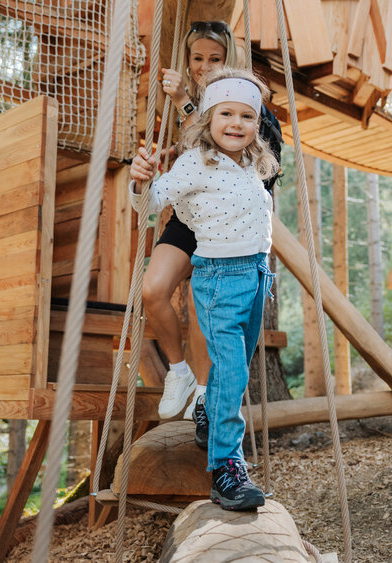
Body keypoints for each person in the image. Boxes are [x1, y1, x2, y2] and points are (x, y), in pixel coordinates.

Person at [130, 68, 277, 510]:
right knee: (231, 371)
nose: (236, 123)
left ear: (257, 124)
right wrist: (140, 179)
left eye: (247, 116)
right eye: (226, 114)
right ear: (209, 118)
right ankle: (226, 470)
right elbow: (152, 201)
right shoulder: (195, 161)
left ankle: (208, 410)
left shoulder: (253, 162)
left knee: (237, 367)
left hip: (256, 277)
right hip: (220, 279)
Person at [149, 20, 282, 421]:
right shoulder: (183, 98)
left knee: (202, 302)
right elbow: (189, 152)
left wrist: (186, 105)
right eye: (197, 58)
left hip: (228, 226)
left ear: (229, 61)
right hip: (189, 218)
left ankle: (207, 394)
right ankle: (179, 373)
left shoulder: (248, 109)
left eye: (215, 59)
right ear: (188, 62)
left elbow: (233, 155)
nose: (204, 67)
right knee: (153, 289)